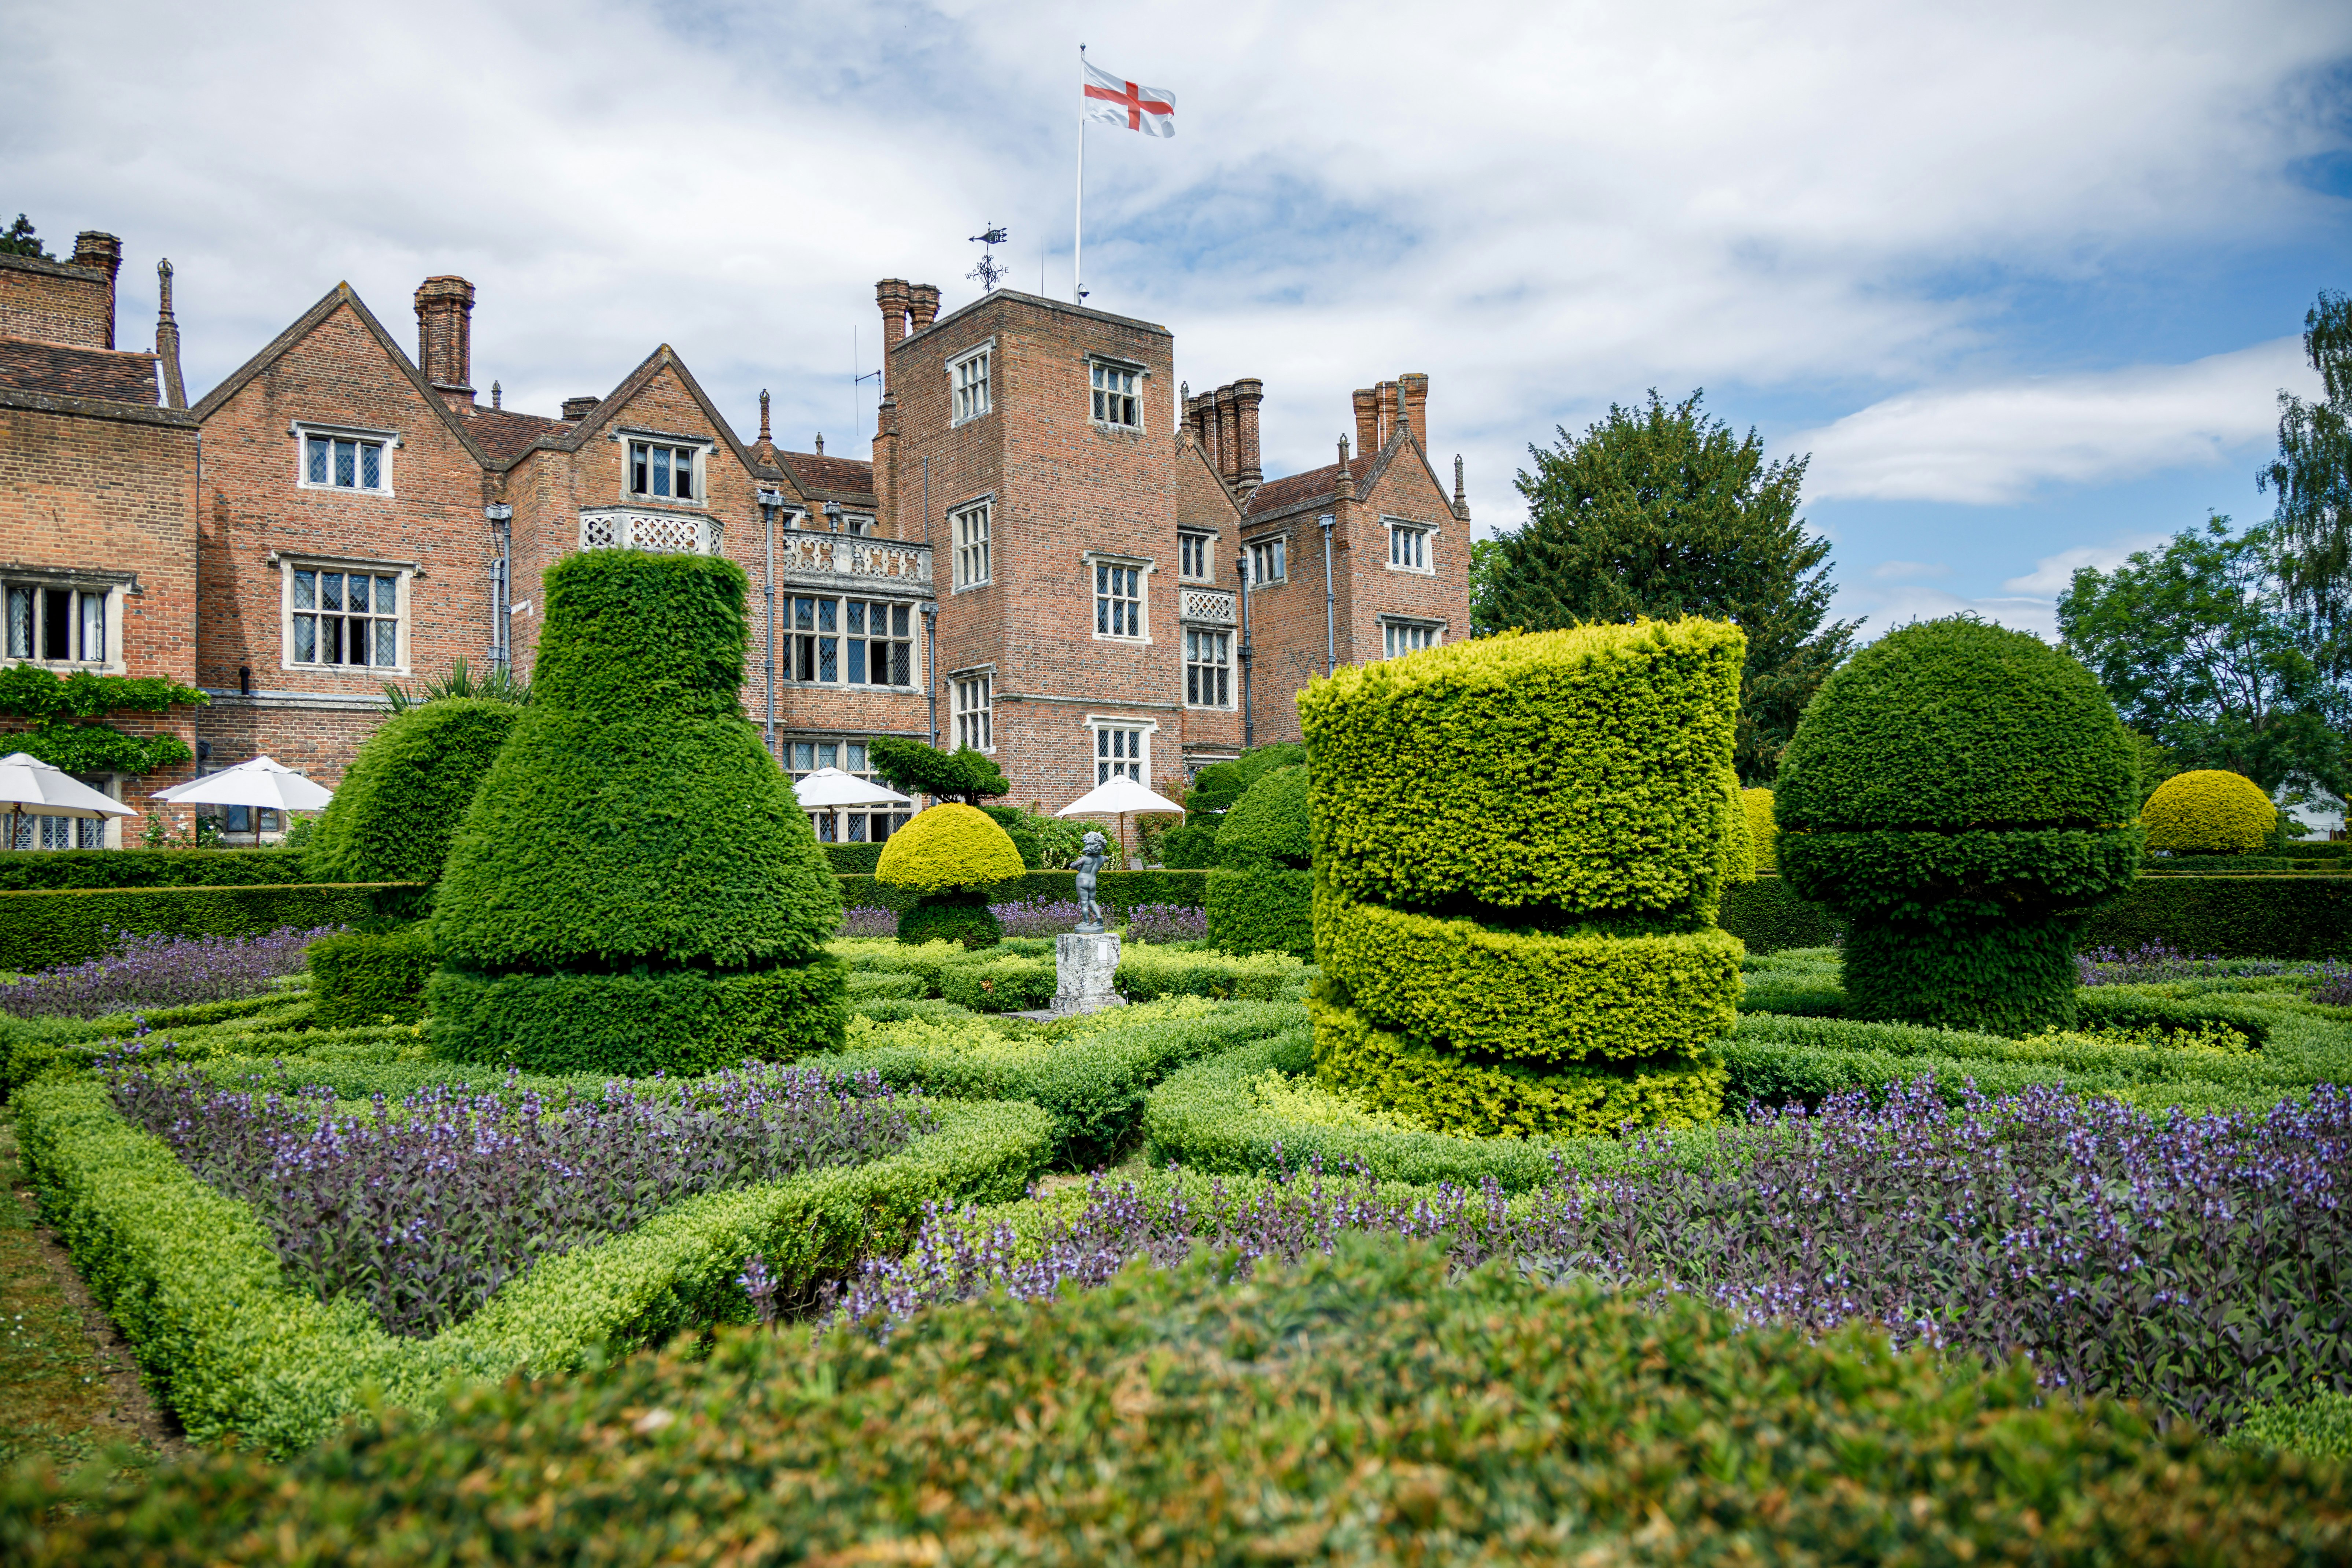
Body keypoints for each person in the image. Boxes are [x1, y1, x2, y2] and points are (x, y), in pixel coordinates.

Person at [1070, 830, 1108, 932]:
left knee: (1084, 903)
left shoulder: (1085, 858)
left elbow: (1072, 865)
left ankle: (1086, 922)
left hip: (1082, 880)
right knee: (1092, 901)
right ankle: (1099, 917)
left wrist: (1079, 869)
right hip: (1093, 882)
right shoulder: (1102, 859)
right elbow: (1108, 858)